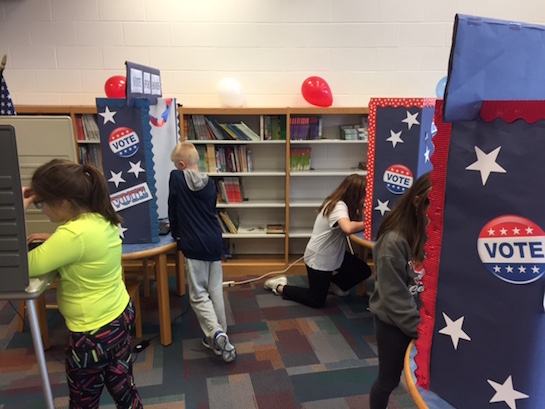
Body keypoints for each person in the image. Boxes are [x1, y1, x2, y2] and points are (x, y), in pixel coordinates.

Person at [22, 159, 143, 409]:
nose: (41, 209)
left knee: (83, 399)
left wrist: (16, 209)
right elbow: (80, 244)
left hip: (91, 334)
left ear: (65, 203)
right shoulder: (101, 217)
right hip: (119, 317)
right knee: (122, 385)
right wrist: (55, 238)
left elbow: (25, 264)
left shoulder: (73, 236)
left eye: (41, 203)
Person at [168, 142, 236, 363]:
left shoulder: (176, 178)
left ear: (181, 164)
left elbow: (173, 209)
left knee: (198, 296)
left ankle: (215, 333)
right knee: (215, 290)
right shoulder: (211, 183)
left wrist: (176, 235)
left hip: (194, 244)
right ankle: (218, 338)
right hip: (214, 241)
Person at [368, 172, 431, 409]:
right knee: (388, 380)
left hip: (421, 321)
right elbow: (395, 300)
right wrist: (422, 330)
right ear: (417, 203)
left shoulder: (429, 234)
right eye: (432, 208)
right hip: (393, 323)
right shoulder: (393, 241)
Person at [264, 174, 371, 308]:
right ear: (355, 194)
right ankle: (279, 286)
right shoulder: (339, 206)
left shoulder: (341, 203)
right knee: (316, 301)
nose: (366, 198)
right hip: (320, 258)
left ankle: (334, 285)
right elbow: (348, 228)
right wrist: (370, 223)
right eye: (364, 194)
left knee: (363, 271)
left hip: (334, 254)